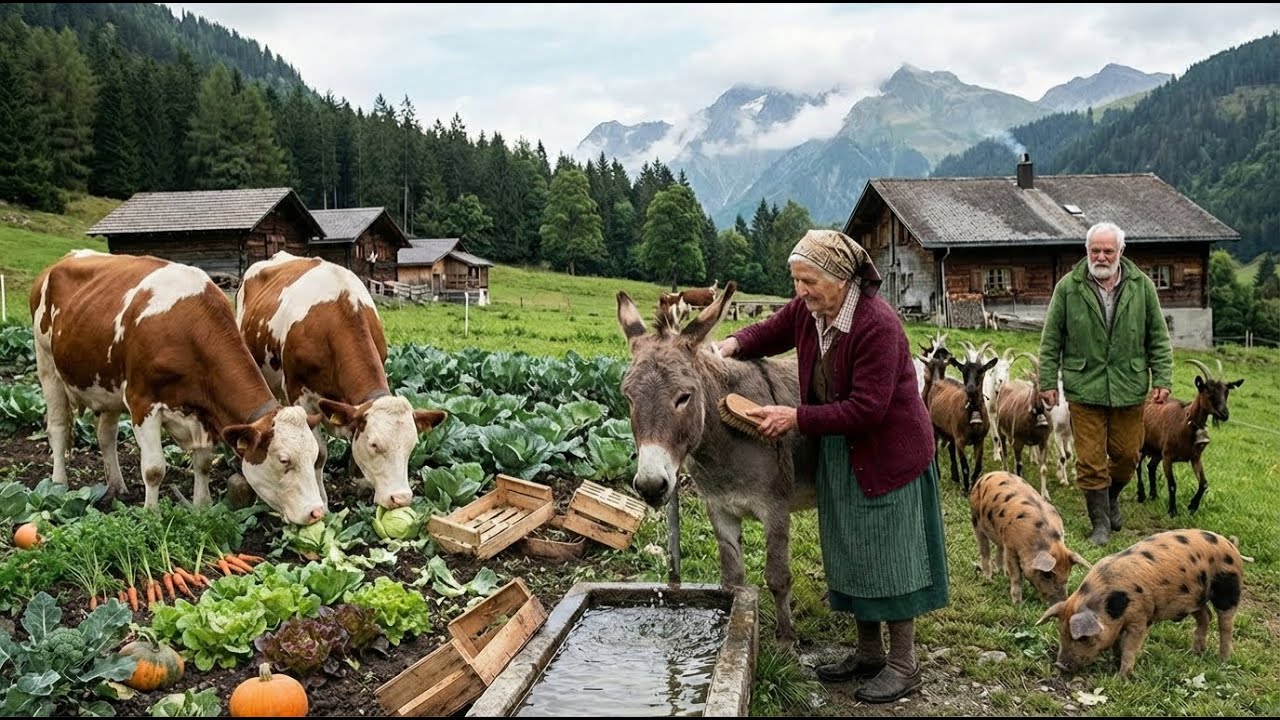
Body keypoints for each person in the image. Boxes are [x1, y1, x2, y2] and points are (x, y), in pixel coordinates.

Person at [716, 229, 949, 704]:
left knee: (891, 557)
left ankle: (904, 665)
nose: (800, 291)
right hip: (842, 450)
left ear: (841, 279)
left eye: (808, 281)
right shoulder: (810, 310)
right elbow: (771, 330)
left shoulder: (876, 325)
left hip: (889, 455)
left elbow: (869, 409)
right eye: (796, 281)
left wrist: (794, 416)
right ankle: (868, 653)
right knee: (852, 551)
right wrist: (731, 346)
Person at [1038, 221, 1173, 546]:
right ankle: (1099, 523)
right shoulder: (1068, 287)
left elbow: (1158, 335)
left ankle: (1111, 496)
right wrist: (1046, 380)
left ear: (1120, 252)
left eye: (1107, 251)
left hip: (1130, 386)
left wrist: (1163, 377)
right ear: (1087, 251)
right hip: (1085, 386)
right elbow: (1051, 336)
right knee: (1090, 460)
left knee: (1127, 456)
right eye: (1095, 250)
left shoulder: (1141, 287)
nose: (1100, 257)